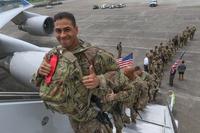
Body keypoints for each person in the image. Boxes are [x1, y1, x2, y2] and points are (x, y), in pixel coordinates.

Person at [33, 11, 138, 133]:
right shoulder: (53, 54)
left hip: (95, 122)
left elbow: (123, 79)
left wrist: (99, 80)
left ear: (76, 30)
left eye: (67, 29)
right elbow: (38, 82)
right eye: (58, 31)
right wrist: (40, 73)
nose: (62, 35)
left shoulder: (94, 55)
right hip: (74, 117)